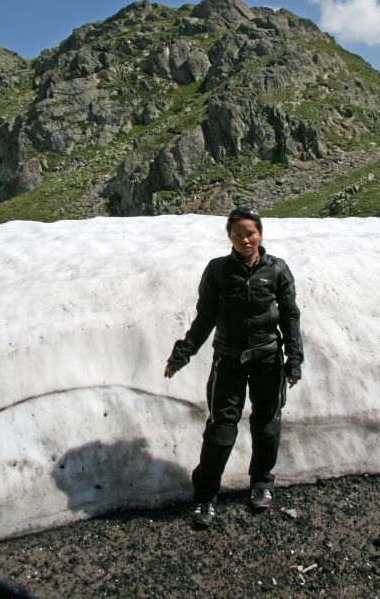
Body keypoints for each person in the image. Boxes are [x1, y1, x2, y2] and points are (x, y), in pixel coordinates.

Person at [164, 207, 303, 527]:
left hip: (268, 359)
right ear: (230, 237)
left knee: (267, 423)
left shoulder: (277, 270)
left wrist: (293, 359)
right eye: (238, 234)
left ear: (261, 235)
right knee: (221, 429)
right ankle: (206, 496)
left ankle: (262, 483)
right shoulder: (217, 271)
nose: (245, 239)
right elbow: (205, 318)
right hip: (228, 360)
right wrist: (182, 354)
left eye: (250, 233)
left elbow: (290, 317)